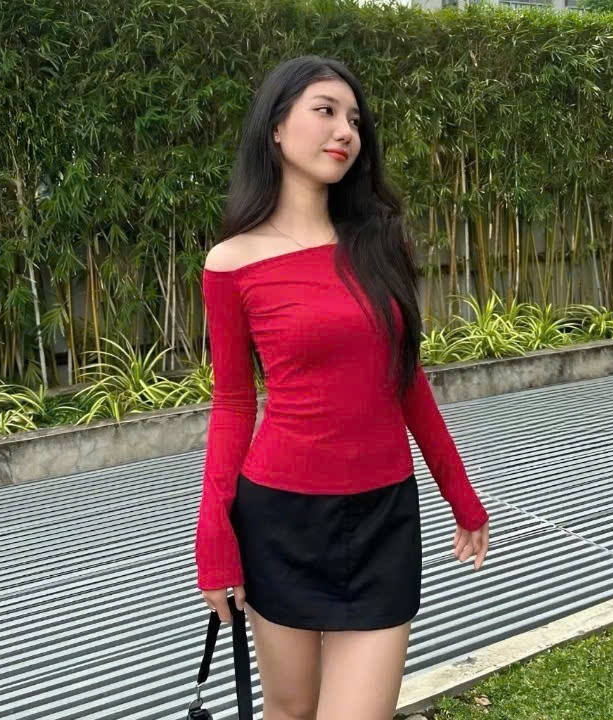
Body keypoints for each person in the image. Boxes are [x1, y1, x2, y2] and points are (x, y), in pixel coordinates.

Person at [195, 54, 490, 720]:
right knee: (291, 710)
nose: (345, 131)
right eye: (325, 111)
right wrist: (214, 537)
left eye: (354, 119)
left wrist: (462, 496)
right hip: (281, 520)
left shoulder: (379, 244)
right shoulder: (232, 262)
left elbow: (406, 381)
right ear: (276, 127)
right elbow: (233, 403)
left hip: (384, 516)